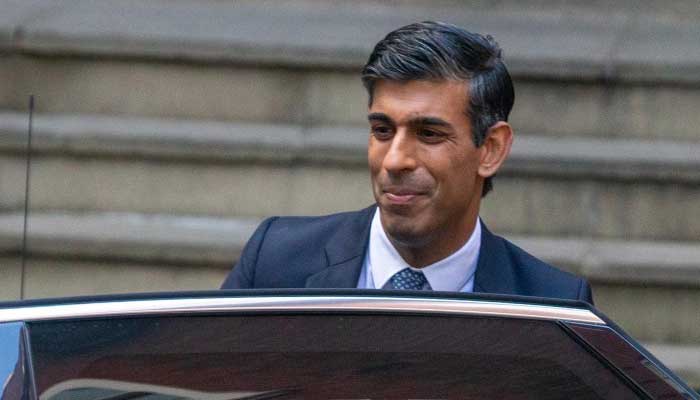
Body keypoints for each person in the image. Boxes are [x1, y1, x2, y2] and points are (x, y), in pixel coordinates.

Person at [221, 21, 593, 303]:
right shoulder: (275, 261)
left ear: (491, 149)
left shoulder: (551, 303)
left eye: (429, 134)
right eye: (382, 130)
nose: (395, 160)